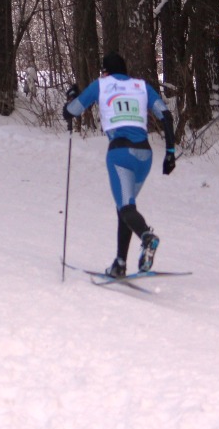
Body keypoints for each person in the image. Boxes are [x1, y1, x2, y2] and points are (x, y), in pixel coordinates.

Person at [62, 52, 176, 278]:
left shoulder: (101, 85)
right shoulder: (141, 86)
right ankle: (120, 263)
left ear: (105, 71)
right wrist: (170, 152)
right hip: (145, 155)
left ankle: (146, 236)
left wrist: (71, 96)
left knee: (126, 208)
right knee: (125, 208)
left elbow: (70, 112)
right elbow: (166, 116)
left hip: (120, 154)